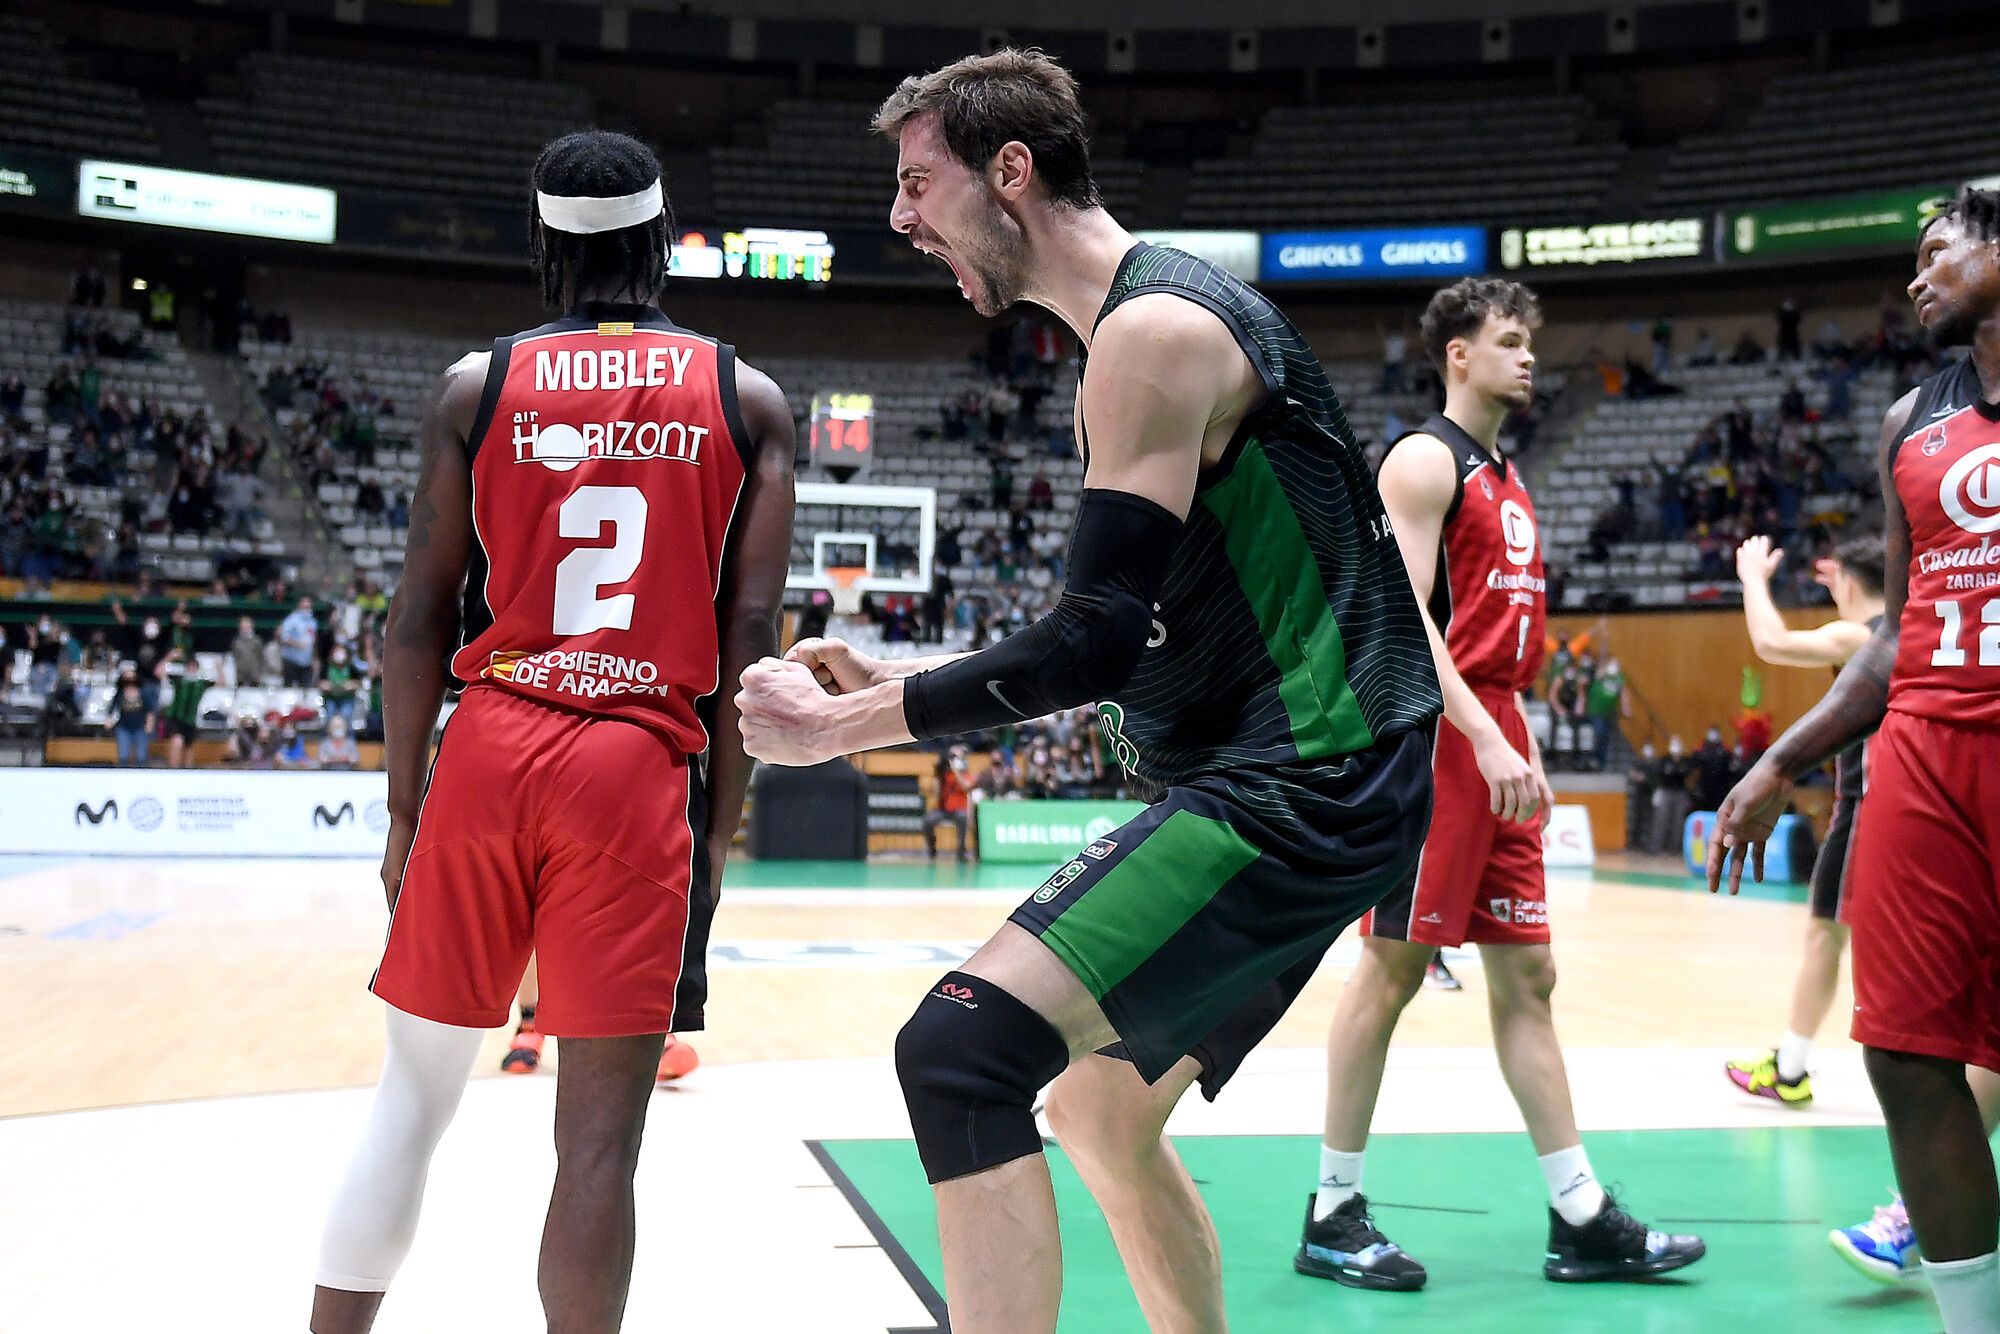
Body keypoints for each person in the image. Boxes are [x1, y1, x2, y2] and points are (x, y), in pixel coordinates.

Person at [737, 51, 1446, 1333]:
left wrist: (842, 726)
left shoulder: (1154, 334)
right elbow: (1132, 620)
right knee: (1100, 1114)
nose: (899, 216)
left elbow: (1088, 648)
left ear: (1009, 173)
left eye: (916, 181)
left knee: (956, 1053)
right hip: (1326, 771)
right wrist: (905, 681)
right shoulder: (1132, 334)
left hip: (1305, 781)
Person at [310, 129, 795, 1334]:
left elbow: (414, 623)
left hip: (488, 739)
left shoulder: (477, 387)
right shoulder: (748, 398)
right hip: (635, 766)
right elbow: (747, 645)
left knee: (406, 1104)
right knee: (595, 1154)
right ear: (661, 239)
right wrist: (719, 834)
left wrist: (403, 811)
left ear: (542, 243)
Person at [1304, 278, 1701, 1294]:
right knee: (1389, 969)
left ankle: (1578, 1214)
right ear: (1457, 357)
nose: (1528, 358)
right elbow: (1398, 617)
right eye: (1510, 342)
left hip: (1500, 736)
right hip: (1438, 737)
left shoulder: (1506, 473)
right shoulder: (1423, 460)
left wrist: (1506, 737)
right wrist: (1478, 734)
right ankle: (1331, 1208)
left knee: (1528, 976)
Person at [1708, 188, 2000, 1331]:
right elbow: (1892, 628)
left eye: (1939, 253)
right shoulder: (1903, 422)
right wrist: (1770, 762)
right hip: (1924, 747)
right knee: (1903, 1050)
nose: (1915, 277)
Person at [1721, 534, 1885, 1105]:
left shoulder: (1865, 633)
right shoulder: (1916, 628)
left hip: (1869, 805)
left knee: (1827, 936)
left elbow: (1771, 642)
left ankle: (1789, 1070)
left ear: (1847, 582)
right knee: (1840, 937)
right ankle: (1791, 1065)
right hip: (1892, 806)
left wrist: (1752, 580)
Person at [925, 744, 973, 862]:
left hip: (958, 810)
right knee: (927, 821)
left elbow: (965, 787)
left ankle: (961, 850)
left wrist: (955, 770)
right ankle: (932, 849)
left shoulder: (965, 774)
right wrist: (938, 772)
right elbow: (934, 790)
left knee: (962, 818)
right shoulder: (943, 775)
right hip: (943, 809)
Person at [106, 669, 152, 767]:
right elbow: (112, 708)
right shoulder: (120, 694)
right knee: (123, 756)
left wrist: (149, 724)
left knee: (141, 756)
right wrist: (109, 719)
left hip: (140, 727)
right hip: (124, 727)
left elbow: (149, 711)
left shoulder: (143, 693)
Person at [278, 596, 318, 688]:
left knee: (305, 689)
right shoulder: (291, 620)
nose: (307, 608)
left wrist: (314, 658)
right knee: (288, 689)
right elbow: (284, 638)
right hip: (291, 660)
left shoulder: (312, 621)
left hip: (306, 662)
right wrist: (297, 644)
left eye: (308, 606)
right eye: (304, 606)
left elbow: (313, 640)